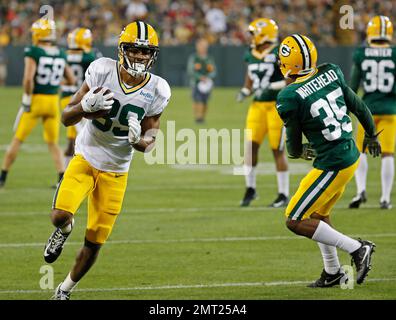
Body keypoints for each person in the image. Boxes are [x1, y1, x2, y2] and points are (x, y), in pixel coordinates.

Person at [44, 21, 171, 300]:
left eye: (145, 51)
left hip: (116, 171)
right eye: (134, 50)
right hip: (87, 157)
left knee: (95, 241)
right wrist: (83, 108)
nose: (139, 56)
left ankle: (64, 290)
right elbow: (66, 117)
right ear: (121, 49)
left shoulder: (159, 89)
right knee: (59, 216)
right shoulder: (102, 69)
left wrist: (139, 141)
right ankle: (65, 230)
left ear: (153, 55)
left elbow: (151, 142)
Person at [277, 34, 380, 287]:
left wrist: (300, 151)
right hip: (350, 155)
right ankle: (332, 272)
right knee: (317, 214)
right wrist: (370, 134)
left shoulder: (289, 96)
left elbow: (291, 147)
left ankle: (357, 248)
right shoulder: (331, 72)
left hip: (332, 163)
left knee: (294, 218)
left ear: (287, 64)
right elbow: (359, 105)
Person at [0, 18, 75, 188]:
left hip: (36, 100)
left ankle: (2, 176)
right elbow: (70, 79)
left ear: (39, 33)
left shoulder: (34, 51)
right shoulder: (60, 53)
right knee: (53, 143)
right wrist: (53, 84)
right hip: (52, 102)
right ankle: (61, 177)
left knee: (17, 140)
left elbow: (28, 79)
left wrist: (26, 98)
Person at [237, 18, 289, 207]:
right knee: (250, 148)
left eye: (253, 33)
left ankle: (283, 194)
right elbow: (250, 80)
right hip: (257, 106)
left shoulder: (278, 52)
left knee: (277, 149)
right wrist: (245, 91)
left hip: (276, 106)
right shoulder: (250, 53)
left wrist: (272, 85)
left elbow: (290, 79)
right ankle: (250, 188)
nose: (250, 37)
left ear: (263, 33)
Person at [349, 15, 395, 210]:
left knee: (360, 151)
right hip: (390, 110)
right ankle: (385, 198)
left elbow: (353, 84)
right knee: (387, 154)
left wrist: (348, 106)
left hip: (366, 110)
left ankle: (360, 190)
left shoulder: (361, 53)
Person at [60, 28, 97, 168]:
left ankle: (62, 175)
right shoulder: (90, 56)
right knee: (82, 138)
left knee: (72, 139)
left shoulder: (63, 54)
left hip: (65, 98)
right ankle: (66, 175)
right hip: (81, 99)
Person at [187, 38, 216, 124]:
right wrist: (199, 77)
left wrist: (207, 77)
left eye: (204, 46)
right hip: (196, 83)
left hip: (206, 84)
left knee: (205, 101)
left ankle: (202, 117)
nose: (203, 48)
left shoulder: (209, 58)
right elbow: (190, 70)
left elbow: (213, 71)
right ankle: (198, 117)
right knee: (197, 100)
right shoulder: (194, 58)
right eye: (201, 46)